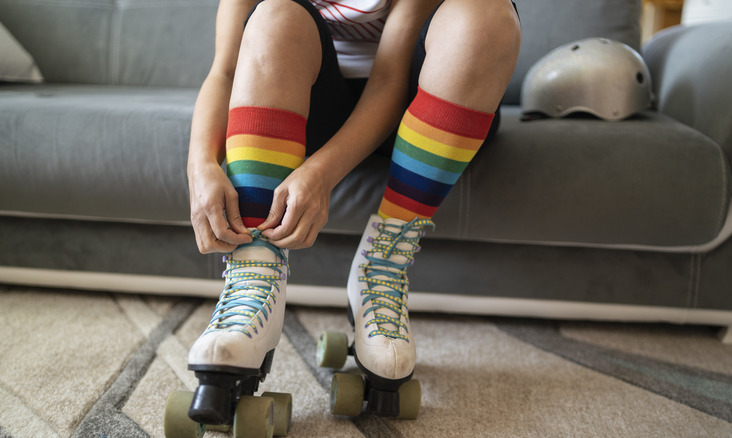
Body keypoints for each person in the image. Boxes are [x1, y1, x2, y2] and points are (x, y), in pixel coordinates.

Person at [185, 0, 521, 423]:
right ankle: (255, 274)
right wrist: (200, 166)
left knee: (486, 14)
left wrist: (322, 175)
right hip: (304, 106)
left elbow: (387, 81)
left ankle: (382, 267)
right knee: (275, 15)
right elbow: (227, 71)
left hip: (423, 108)